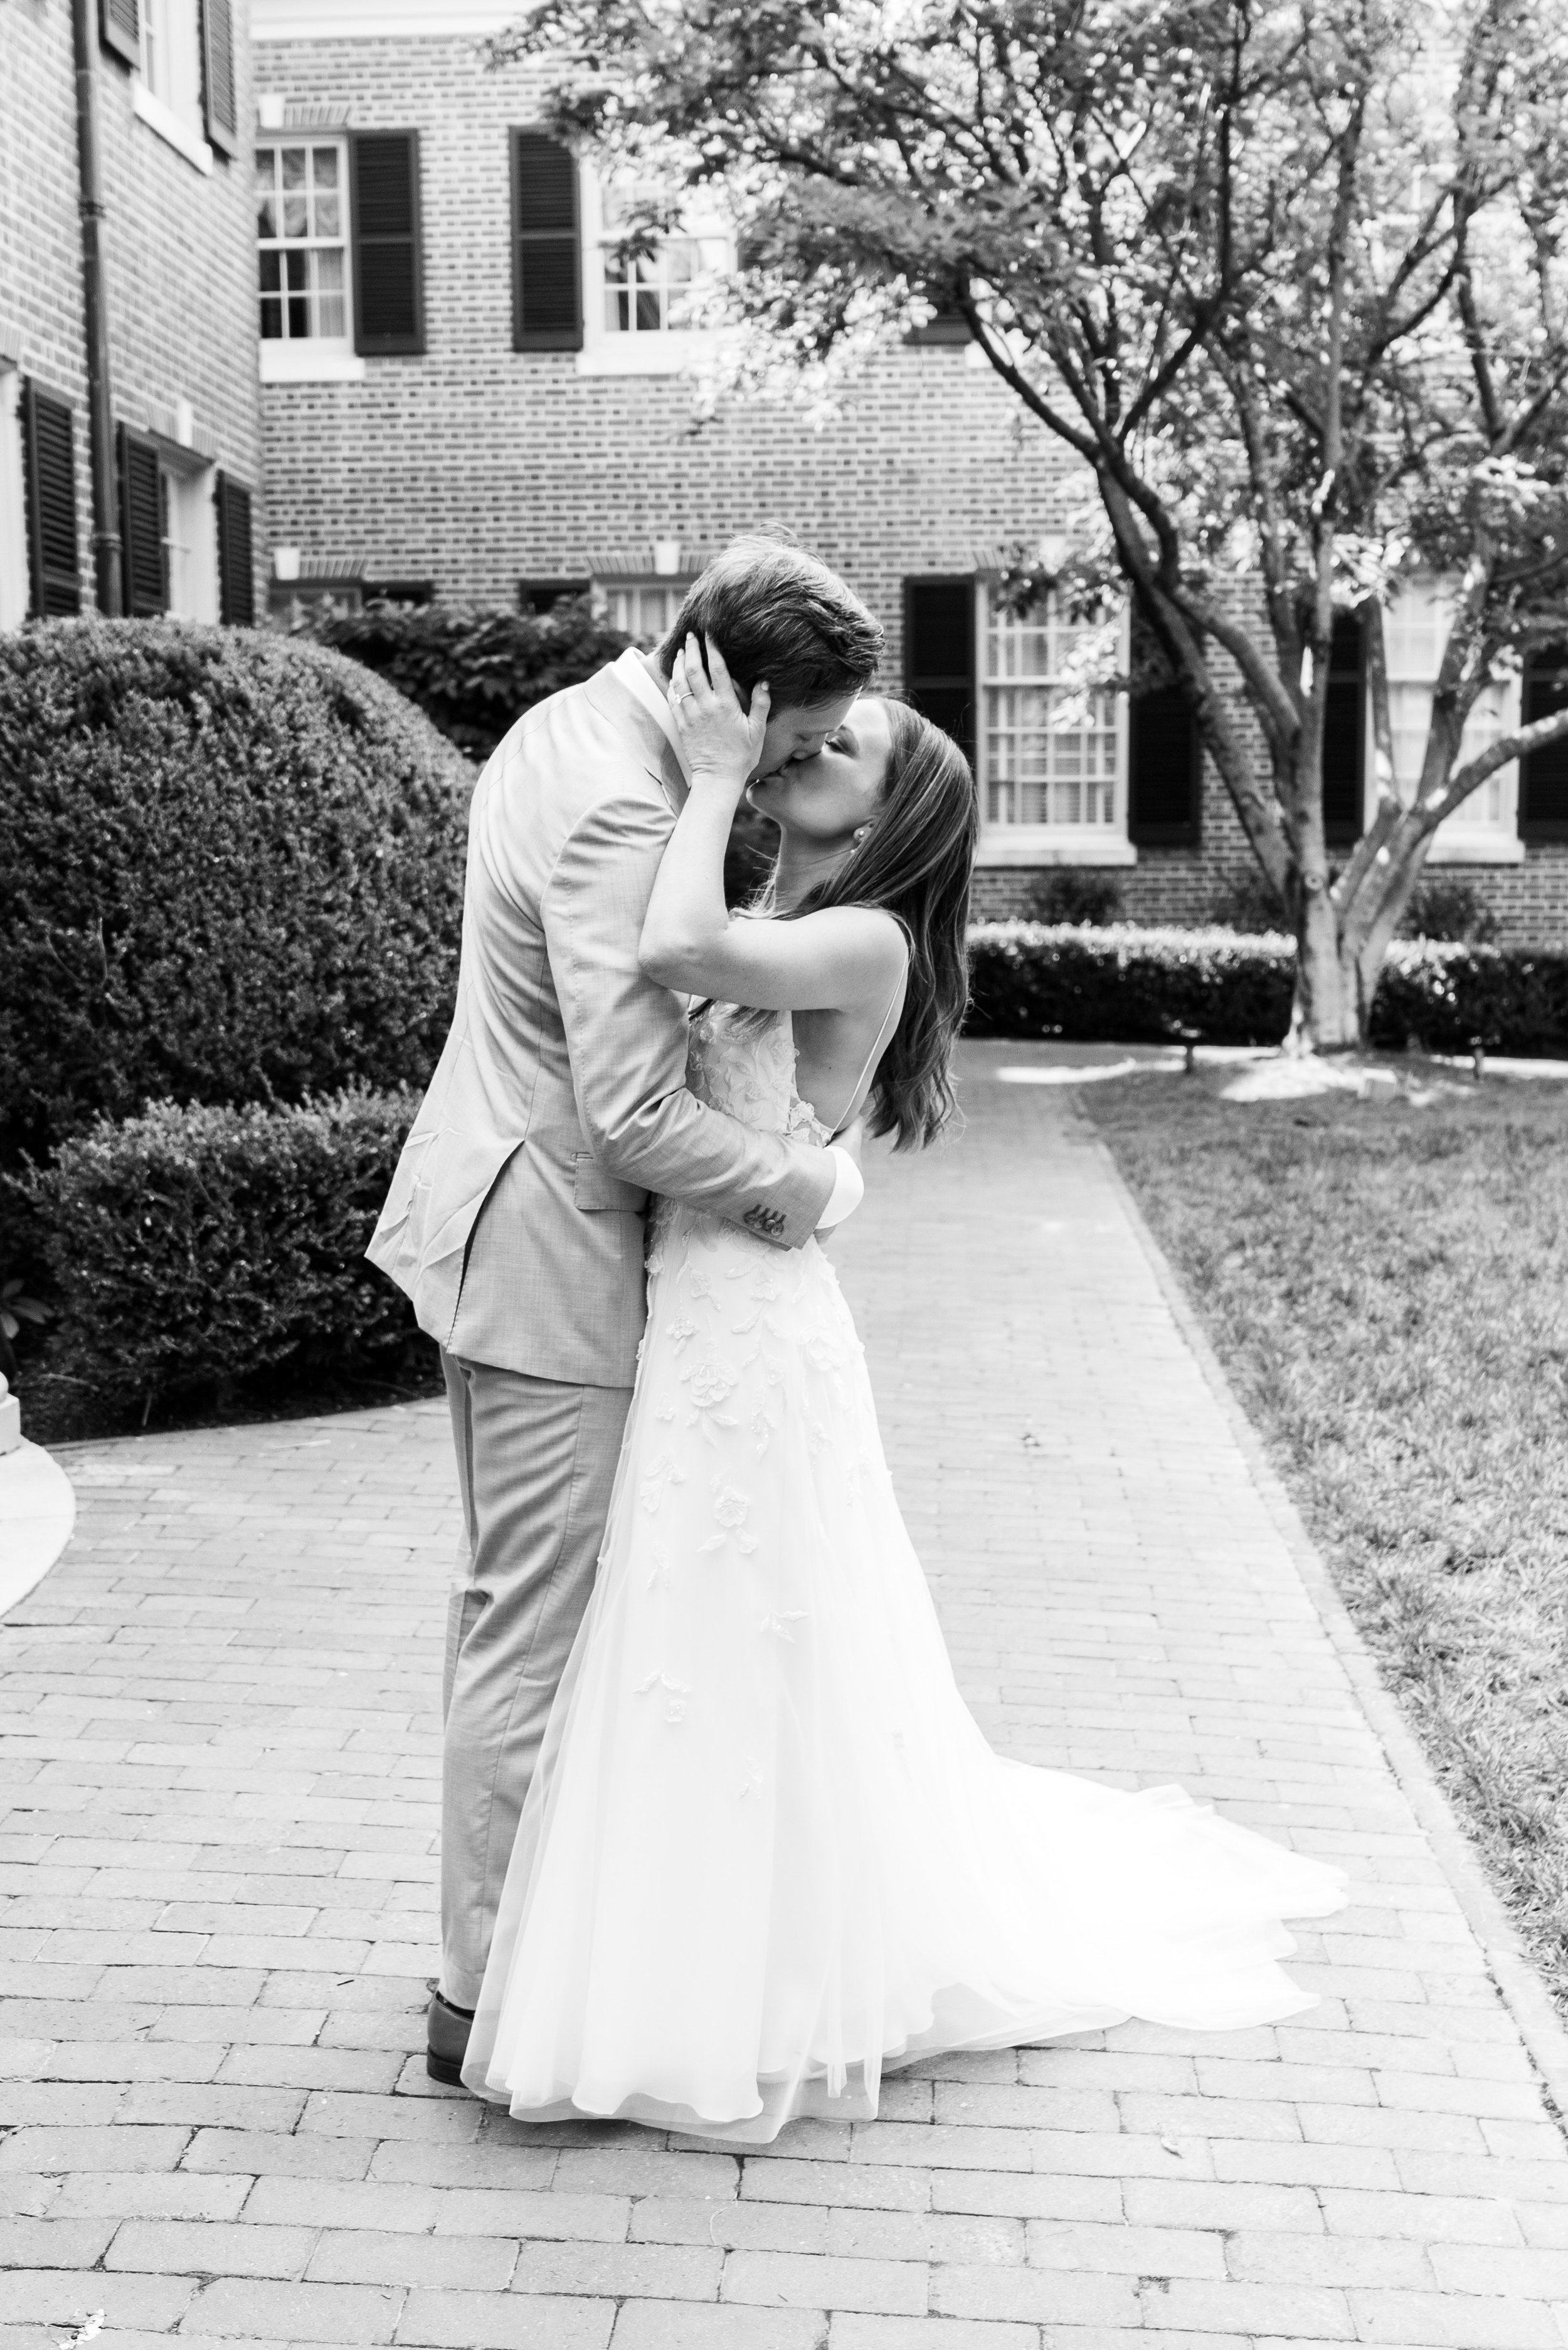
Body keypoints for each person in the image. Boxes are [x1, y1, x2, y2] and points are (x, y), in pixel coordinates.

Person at [459, 637, 1347, 2142]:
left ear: (887, 820)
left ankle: (753, 1979)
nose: (805, 752)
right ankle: (682, 1945)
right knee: (688, 1639)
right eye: (810, 740)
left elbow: (671, 956)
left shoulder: (862, 935)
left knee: (740, 1632)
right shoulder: (792, 907)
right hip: (699, 1301)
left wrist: (718, 774)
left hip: (747, 1316)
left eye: (839, 752)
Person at [366, 538, 884, 2087]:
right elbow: (635, 1112)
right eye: (803, 732)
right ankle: (482, 1993)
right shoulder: (619, 797)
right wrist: (798, 1194)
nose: (810, 758)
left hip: (493, 1214)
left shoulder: (566, 720)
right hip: (551, 1249)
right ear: (749, 693)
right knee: (530, 1623)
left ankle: (519, 1957)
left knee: (514, 1606)